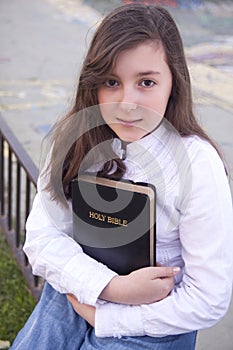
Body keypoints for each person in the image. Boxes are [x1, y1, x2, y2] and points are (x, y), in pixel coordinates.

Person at [11, 3, 233, 350]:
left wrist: (112, 318)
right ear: (93, 82)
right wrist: (112, 290)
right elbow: (41, 239)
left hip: (157, 321)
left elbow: (209, 298)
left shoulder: (197, 163)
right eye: (111, 82)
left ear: (174, 81)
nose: (127, 103)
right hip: (74, 296)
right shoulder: (74, 141)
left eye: (146, 82)